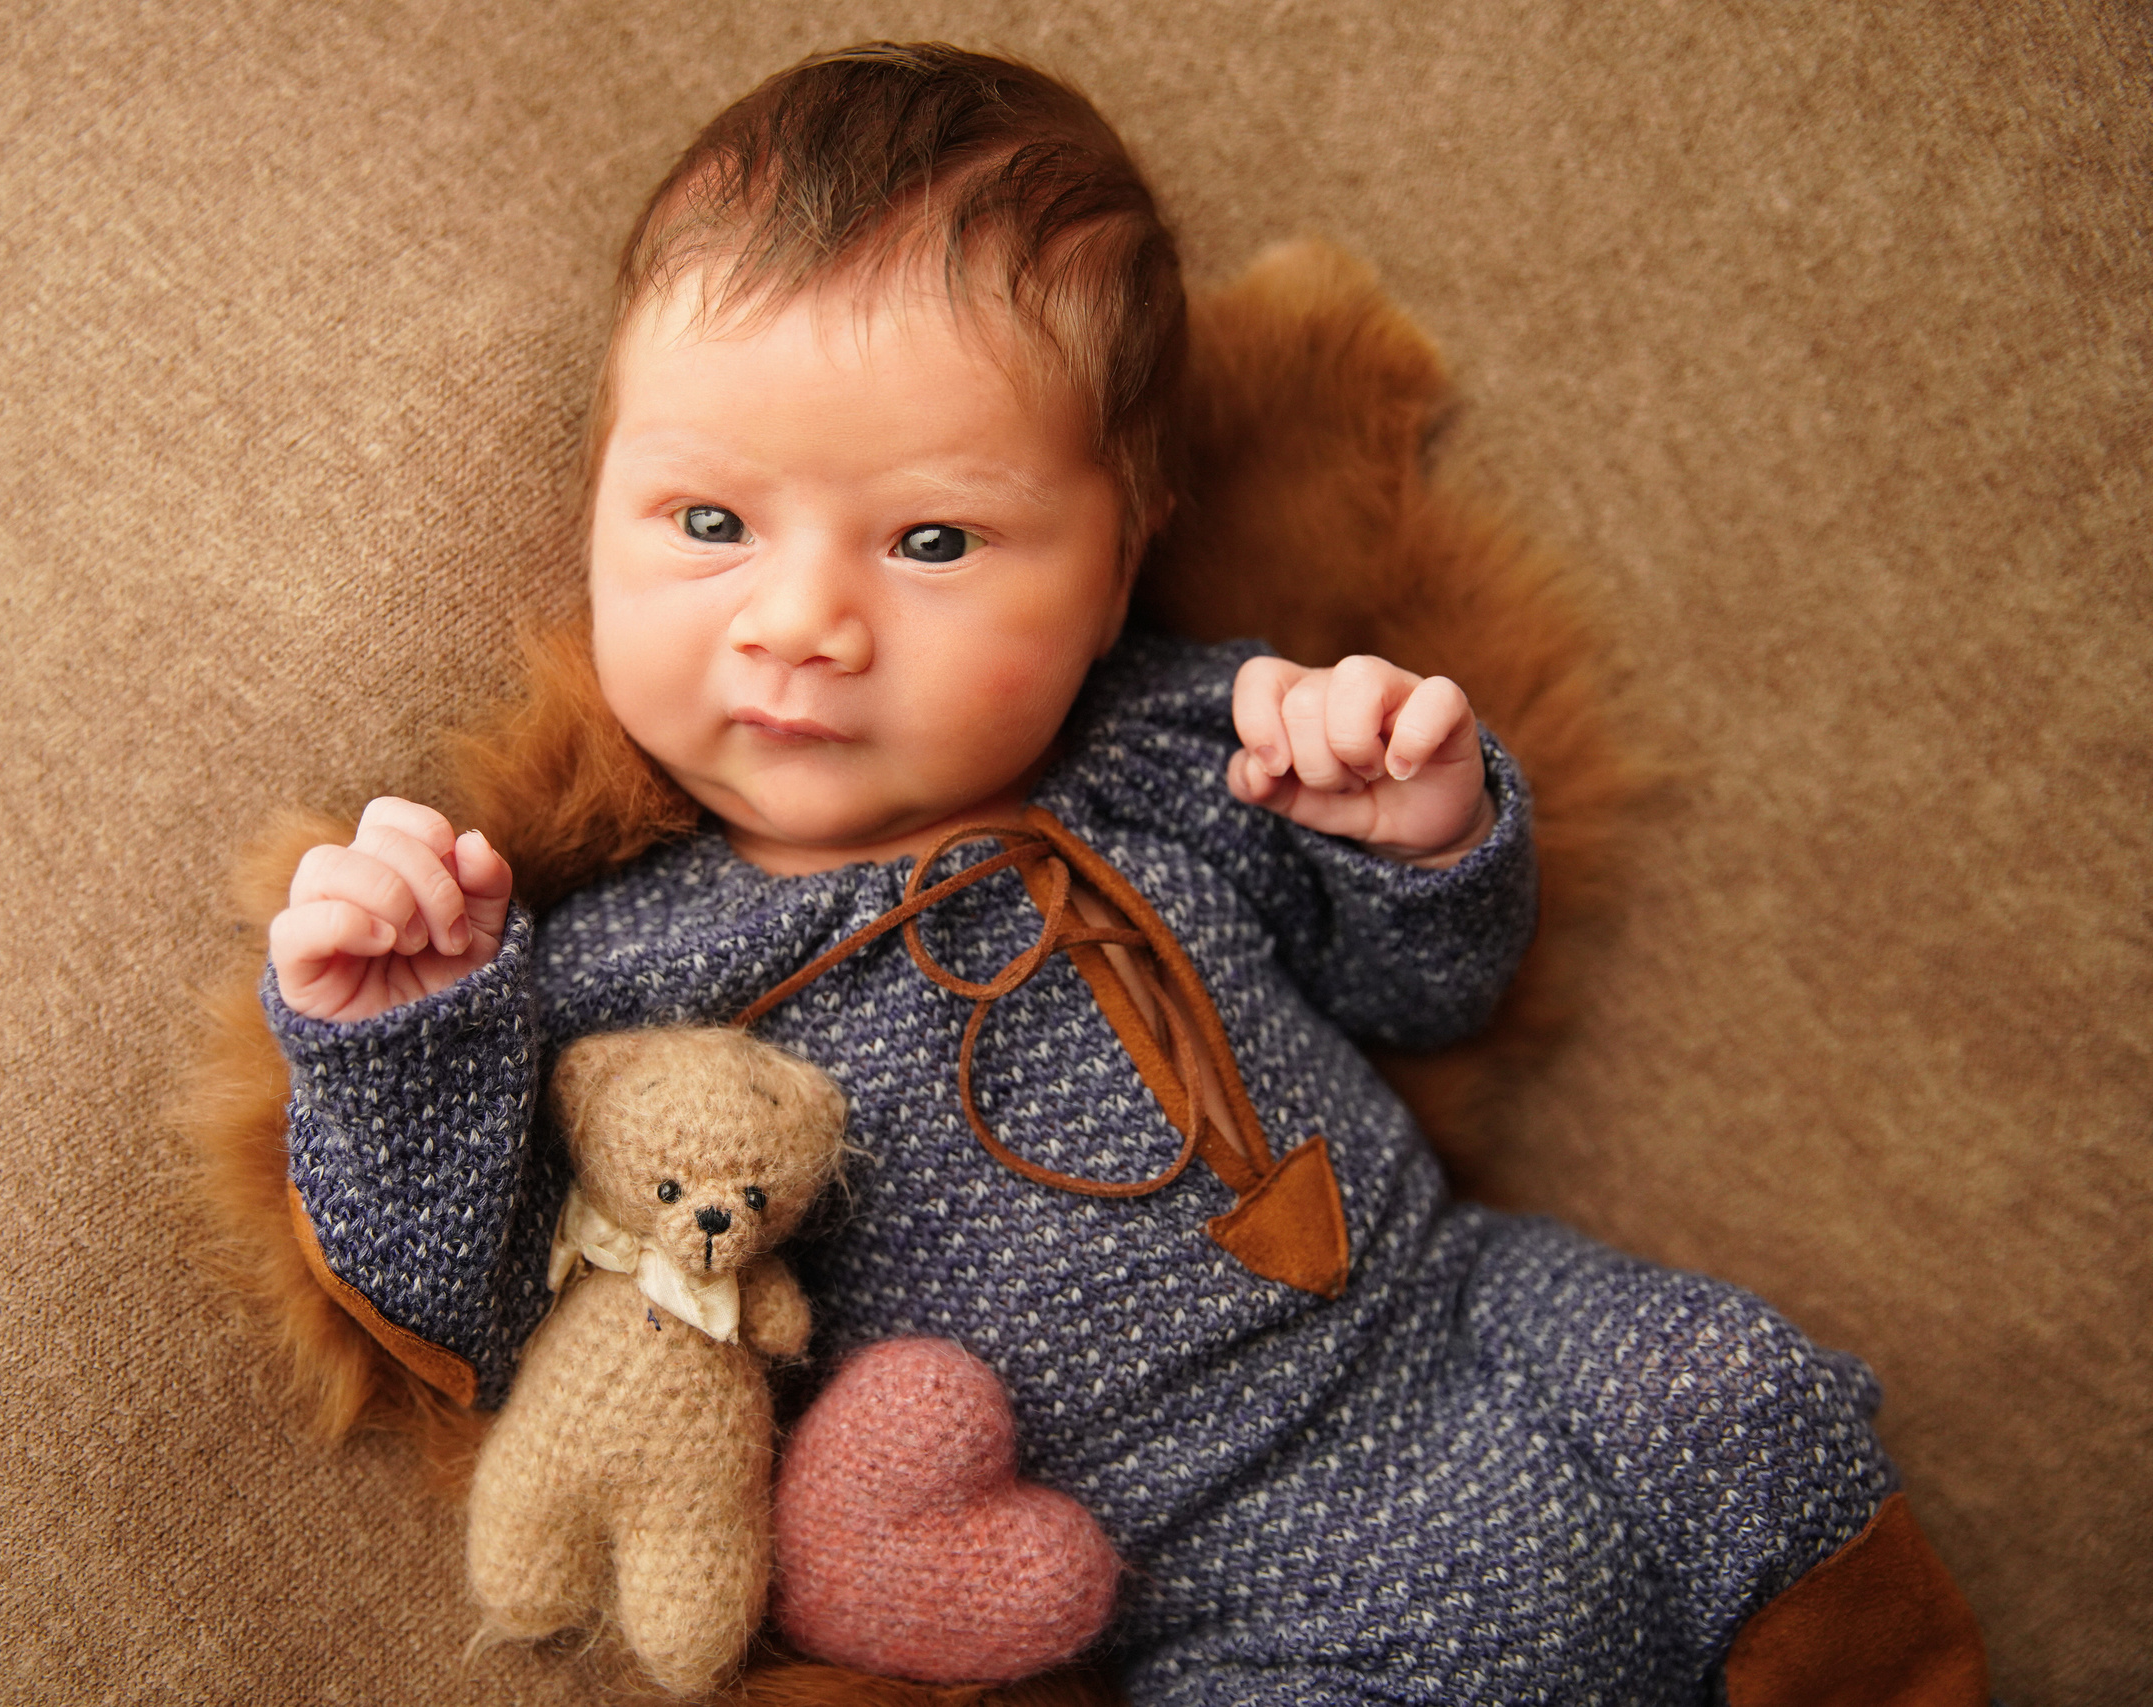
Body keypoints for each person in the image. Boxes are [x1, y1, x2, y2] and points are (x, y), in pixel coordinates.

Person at [253, 41, 1986, 1706]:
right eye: (709, 522)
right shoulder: (627, 972)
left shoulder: (1188, 742)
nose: (797, 623)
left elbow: (1421, 1000)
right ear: (599, 498)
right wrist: (402, 1038)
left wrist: (1423, 837)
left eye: (933, 540)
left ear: (1118, 557)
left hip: (1466, 1320)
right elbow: (483, 1324)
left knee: (1745, 1395)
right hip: (1194, 1565)